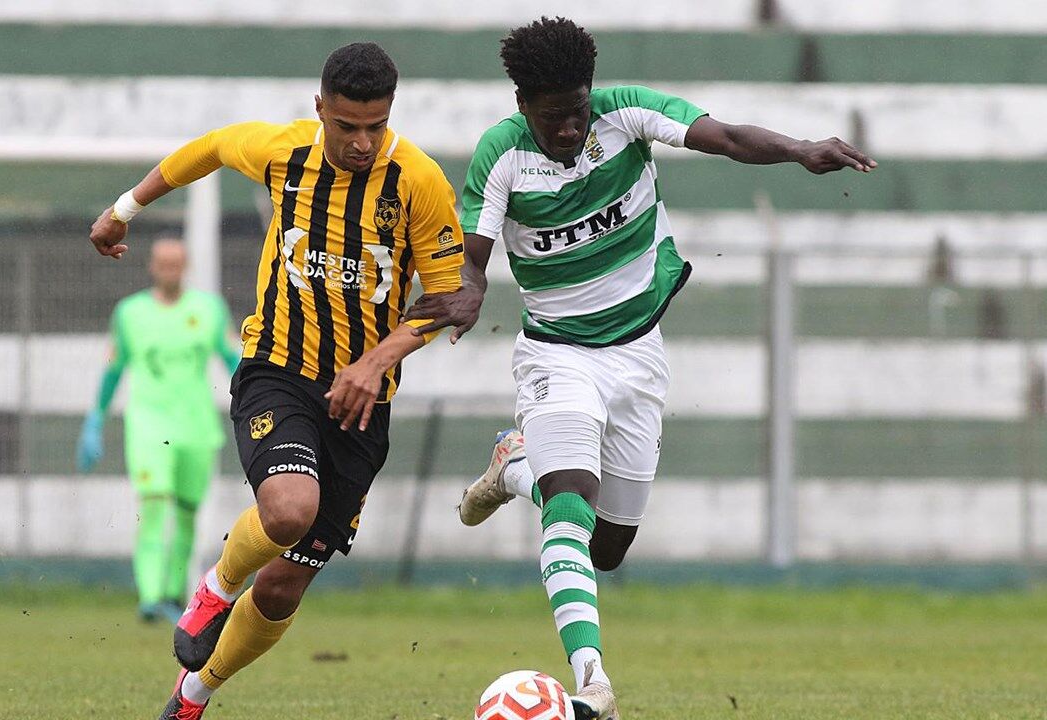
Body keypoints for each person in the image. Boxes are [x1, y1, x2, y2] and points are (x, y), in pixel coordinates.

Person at [406, 17, 876, 720]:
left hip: (638, 354)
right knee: (570, 500)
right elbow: (473, 258)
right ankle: (593, 681)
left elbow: (726, 137)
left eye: (577, 110)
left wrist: (799, 149)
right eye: (552, 116)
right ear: (522, 104)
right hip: (558, 354)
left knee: (607, 548)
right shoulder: (500, 155)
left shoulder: (623, 112)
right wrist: (468, 293)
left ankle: (514, 468)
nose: (569, 128)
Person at [87, 42, 465, 720]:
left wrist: (375, 362)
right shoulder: (281, 152)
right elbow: (208, 148)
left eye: (375, 126)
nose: (361, 142)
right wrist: (125, 208)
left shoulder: (419, 182)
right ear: (320, 108)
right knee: (289, 511)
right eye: (346, 126)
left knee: (285, 586)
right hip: (278, 371)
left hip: (362, 404)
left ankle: (192, 696)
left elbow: (446, 299)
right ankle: (216, 586)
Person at [77, 239, 241, 623]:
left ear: (186, 266)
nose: (170, 270)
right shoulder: (130, 313)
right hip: (149, 426)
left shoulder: (209, 310)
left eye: (176, 263)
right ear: (152, 266)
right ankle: (149, 597)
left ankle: (171, 593)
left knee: (186, 514)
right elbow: (114, 367)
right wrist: (96, 418)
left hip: (197, 428)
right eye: (163, 263)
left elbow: (234, 360)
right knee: (153, 506)